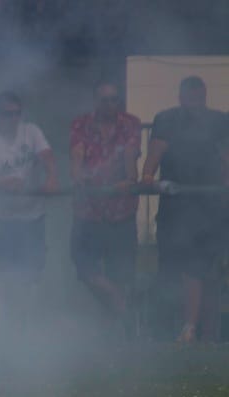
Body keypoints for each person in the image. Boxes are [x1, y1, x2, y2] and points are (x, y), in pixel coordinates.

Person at [140, 76, 229, 343]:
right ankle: (172, 330)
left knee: (207, 271)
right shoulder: (167, 119)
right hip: (175, 208)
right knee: (171, 269)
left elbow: (226, 157)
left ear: (205, 96)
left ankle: (206, 334)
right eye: (189, 97)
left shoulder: (219, 121)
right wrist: (147, 176)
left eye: (199, 97)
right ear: (180, 97)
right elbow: (154, 156)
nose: (194, 102)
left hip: (210, 209)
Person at [0, 90, 59, 335]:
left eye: (15, 114)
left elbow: (47, 156)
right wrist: (0, 184)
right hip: (0, 220)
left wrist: (52, 177)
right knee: (0, 275)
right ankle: (2, 329)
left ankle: (27, 328)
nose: (11, 119)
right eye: (6, 114)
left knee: (31, 275)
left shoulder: (31, 131)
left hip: (32, 216)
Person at [69, 80, 142, 335]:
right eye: (104, 99)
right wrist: (78, 176)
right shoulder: (81, 123)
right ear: (95, 101)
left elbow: (130, 156)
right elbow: (77, 156)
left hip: (121, 211)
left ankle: (115, 333)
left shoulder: (130, 123)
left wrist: (129, 179)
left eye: (113, 99)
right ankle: (123, 310)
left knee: (120, 272)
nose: (109, 105)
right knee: (84, 267)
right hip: (88, 211)